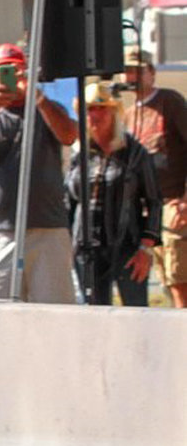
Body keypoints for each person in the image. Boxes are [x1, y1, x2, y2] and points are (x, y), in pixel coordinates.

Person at [0, 40, 80, 304]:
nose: (9, 78)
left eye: (15, 70)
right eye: (2, 71)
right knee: (2, 309)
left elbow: (69, 136)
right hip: (3, 230)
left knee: (55, 310)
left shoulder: (46, 108)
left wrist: (38, 98)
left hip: (48, 228)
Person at [68, 80, 163, 307]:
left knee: (136, 314)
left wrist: (145, 249)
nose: (95, 115)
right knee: (93, 315)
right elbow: (69, 202)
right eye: (89, 109)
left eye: (102, 108)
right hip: (86, 249)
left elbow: (154, 201)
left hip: (127, 247)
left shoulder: (134, 152)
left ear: (114, 112)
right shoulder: (79, 153)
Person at [123, 45, 187, 307]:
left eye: (137, 71)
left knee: (180, 281)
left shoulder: (169, 102)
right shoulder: (128, 115)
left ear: (151, 72)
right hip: (147, 212)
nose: (132, 77)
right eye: (127, 72)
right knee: (163, 281)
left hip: (174, 204)